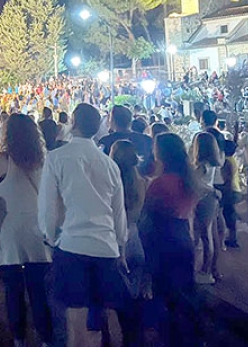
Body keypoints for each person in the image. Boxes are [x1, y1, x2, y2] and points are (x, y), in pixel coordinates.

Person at [39, 103, 127, 347]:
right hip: (106, 247)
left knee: (75, 321)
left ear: (74, 123)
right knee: (97, 321)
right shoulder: (109, 164)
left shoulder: (57, 158)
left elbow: (48, 206)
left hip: (73, 245)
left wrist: (49, 238)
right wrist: (121, 245)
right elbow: (118, 213)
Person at [0, 114, 55, 347]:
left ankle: (19, 339)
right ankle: (45, 339)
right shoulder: (44, 160)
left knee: (13, 291)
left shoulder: (1, 160)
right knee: (38, 291)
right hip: (38, 230)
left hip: (8, 231)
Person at [140, 133, 199, 347]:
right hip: (183, 236)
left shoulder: (160, 183)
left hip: (163, 239)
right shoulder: (188, 179)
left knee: (164, 296)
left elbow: (148, 216)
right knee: (184, 294)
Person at [109, 140, 147, 347]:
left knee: (117, 299)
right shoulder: (141, 182)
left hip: (115, 242)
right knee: (135, 297)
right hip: (137, 239)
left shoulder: (111, 183)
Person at [190, 132, 223, 284]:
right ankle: (212, 268)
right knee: (213, 235)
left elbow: (195, 182)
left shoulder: (202, 166)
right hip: (211, 199)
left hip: (204, 199)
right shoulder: (212, 163)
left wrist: (210, 190)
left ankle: (205, 270)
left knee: (205, 235)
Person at [219, 137, 243, 249]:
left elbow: (226, 179)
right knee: (230, 214)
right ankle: (232, 238)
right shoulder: (232, 159)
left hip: (230, 191)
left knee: (227, 215)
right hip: (234, 190)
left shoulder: (226, 161)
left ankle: (231, 239)